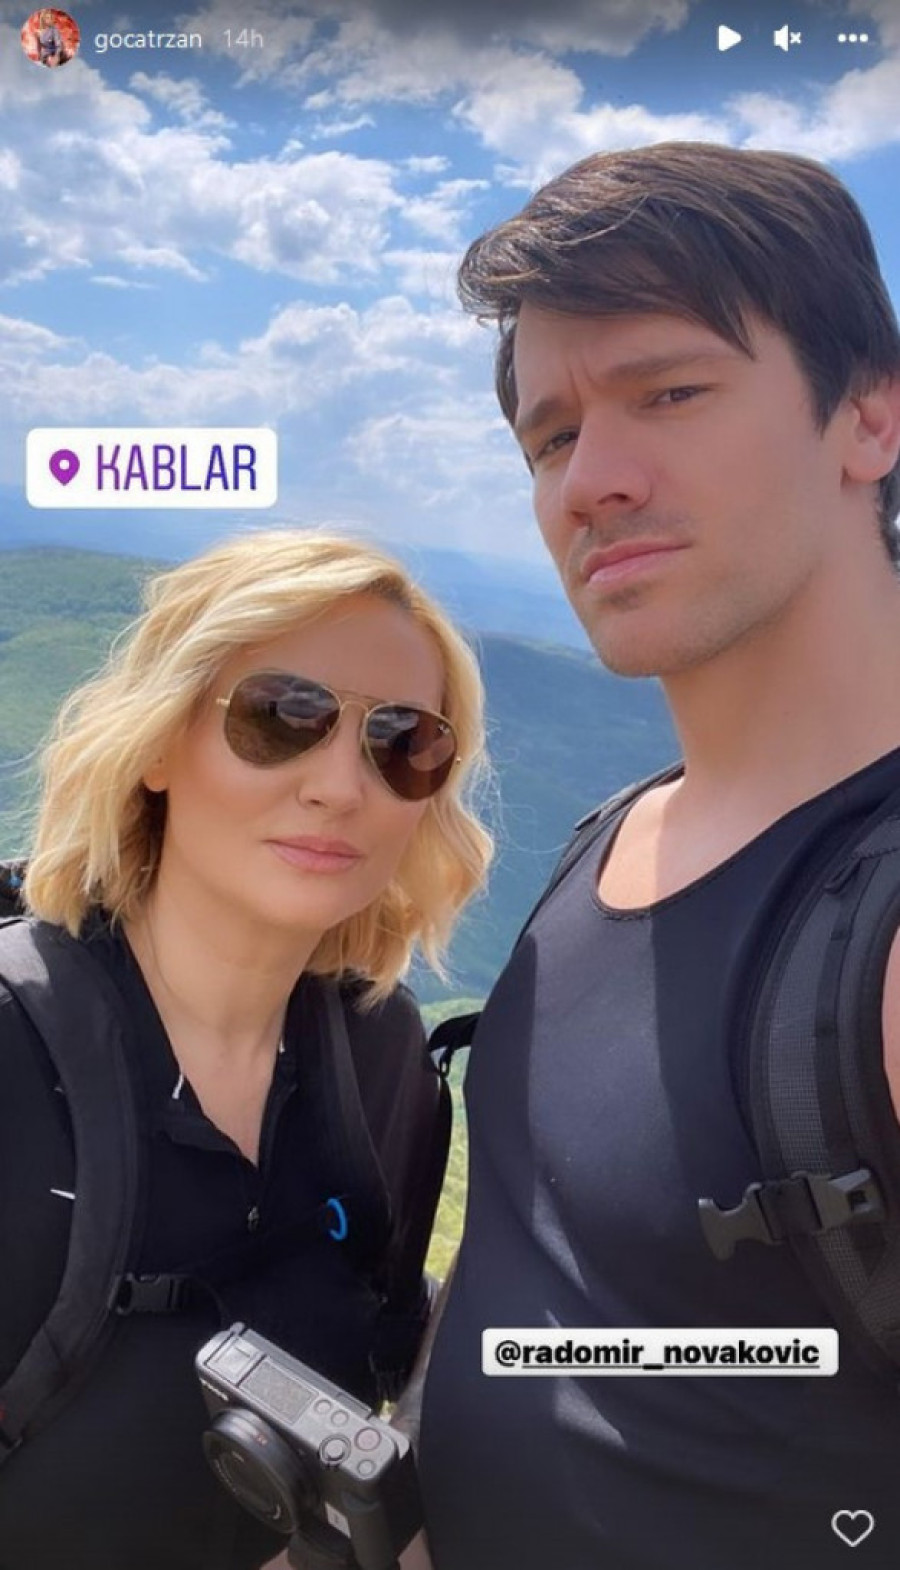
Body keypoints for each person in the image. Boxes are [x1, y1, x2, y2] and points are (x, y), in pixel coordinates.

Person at [411, 143, 900, 1569]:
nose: (592, 482)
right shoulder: (611, 839)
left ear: (869, 413)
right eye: (551, 438)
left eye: (671, 392)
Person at [0, 528, 492, 1570]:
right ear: (158, 744)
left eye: (402, 742)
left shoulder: (383, 1061)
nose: (341, 785)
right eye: (282, 716)